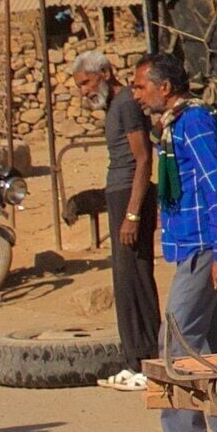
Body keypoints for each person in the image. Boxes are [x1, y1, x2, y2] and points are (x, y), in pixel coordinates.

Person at [129, 54, 217, 432]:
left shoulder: (193, 123)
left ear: (164, 88)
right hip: (192, 246)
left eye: (141, 86)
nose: (136, 94)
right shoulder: (175, 124)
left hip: (203, 248)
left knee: (175, 338)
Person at [79, 51, 160, 389]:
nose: (84, 91)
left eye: (87, 82)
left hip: (130, 195)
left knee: (136, 278)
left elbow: (143, 160)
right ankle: (134, 360)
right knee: (125, 282)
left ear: (106, 73)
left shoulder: (127, 103)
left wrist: (131, 214)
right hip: (120, 193)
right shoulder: (118, 105)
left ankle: (147, 362)